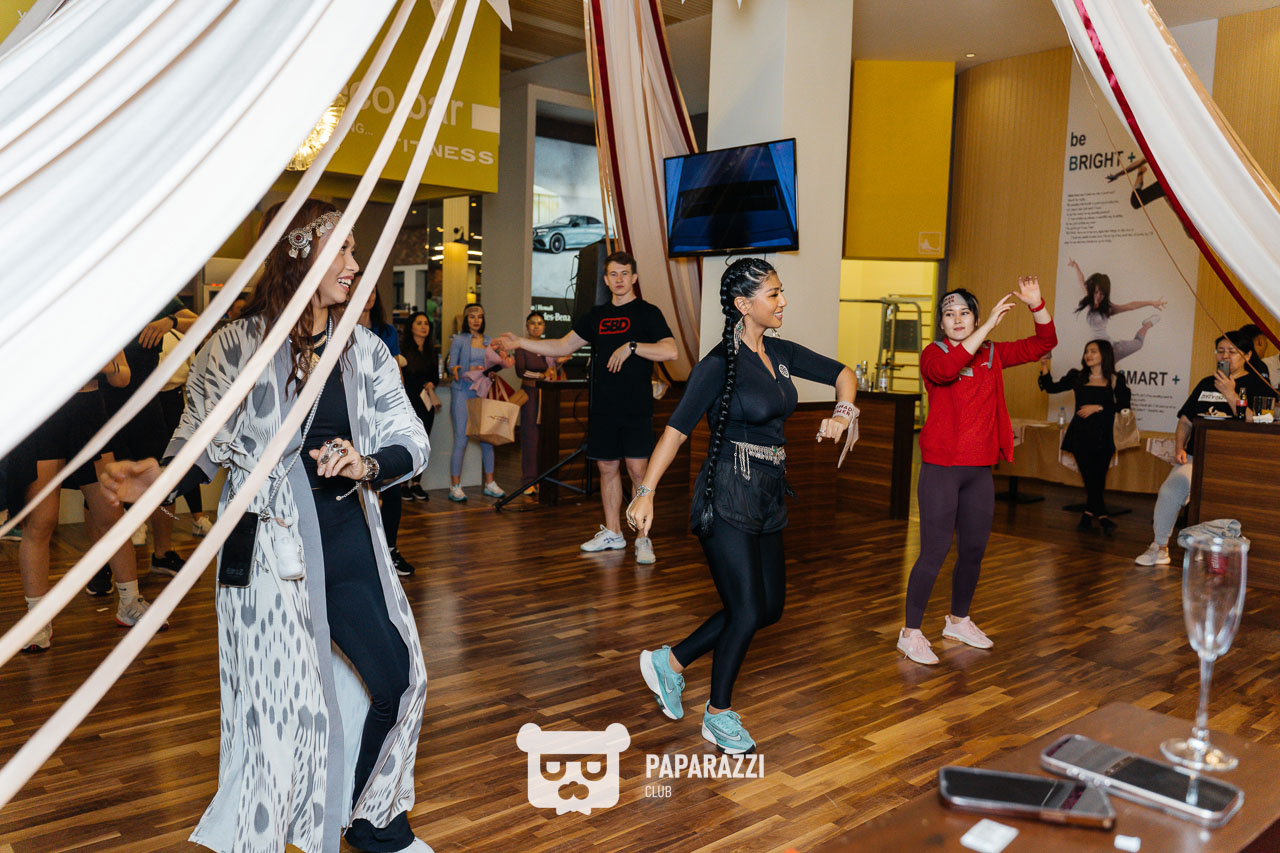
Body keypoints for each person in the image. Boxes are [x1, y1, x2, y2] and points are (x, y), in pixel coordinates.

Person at [99, 200, 433, 853]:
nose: (356, 263)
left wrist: (366, 462)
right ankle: (278, 830)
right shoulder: (236, 346)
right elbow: (200, 443)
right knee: (285, 709)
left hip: (347, 539)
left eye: (355, 249)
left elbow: (410, 439)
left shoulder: (363, 348)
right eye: (341, 249)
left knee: (400, 679)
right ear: (296, 252)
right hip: (267, 553)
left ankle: (372, 820)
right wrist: (153, 480)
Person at [626, 258, 856, 752]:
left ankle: (669, 662)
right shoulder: (717, 365)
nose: (783, 301)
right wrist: (645, 492)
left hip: (768, 493)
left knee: (768, 608)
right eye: (773, 294)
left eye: (780, 291)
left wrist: (842, 414)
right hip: (726, 493)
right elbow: (676, 431)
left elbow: (844, 373)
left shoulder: (781, 352)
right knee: (747, 609)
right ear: (742, 305)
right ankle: (718, 714)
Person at [898, 278, 1057, 665]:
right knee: (934, 552)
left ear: (975, 317)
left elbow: (1044, 344)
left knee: (973, 550)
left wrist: (1037, 305)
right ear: (941, 323)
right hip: (941, 469)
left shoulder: (992, 354)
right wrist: (985, 329)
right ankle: (910, 632)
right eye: (949, 314)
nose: (957, 319)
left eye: (965, 313)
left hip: (979, 470)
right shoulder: (933, 354)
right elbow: (948, 371)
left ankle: (958, 620)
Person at [496, 251, 677, 565]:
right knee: (607, 469)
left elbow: (670, 351)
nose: (619, 279)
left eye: (624, 274)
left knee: (638, 472)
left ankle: (642, 538)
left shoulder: (648, 313)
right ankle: (613, 532)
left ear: (634, 278)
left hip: (635, 407)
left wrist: (632, 346)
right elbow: (562, 346)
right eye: (613, 274)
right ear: (606, 279)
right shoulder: (597, 316)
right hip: (603, 408)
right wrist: (521, 343)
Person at [7, 351, 161, 652]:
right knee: (40, 521)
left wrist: (106, 365)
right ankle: (37, 621)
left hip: (89, 414)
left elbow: (123, 377)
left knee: (111, 515)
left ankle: (130, 603)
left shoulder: (99, 325)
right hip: (43, 414)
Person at [1134, 330, 1272, 567]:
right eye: (1220, 351)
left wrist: (1230, 393)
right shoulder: (1207, 383)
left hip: (1237, 461)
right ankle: (1159, 547)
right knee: (1170, 490)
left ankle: (1211, 551)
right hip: (1197, 456)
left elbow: (1257, 424)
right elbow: (1185, 421)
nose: (1225, 356)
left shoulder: (1259, 385)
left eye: (1232, 352)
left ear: (1247, 355)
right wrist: (1180, 447)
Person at [93, 297, 201, 593]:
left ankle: (162, 554)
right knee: (102, 488)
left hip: (147, 402)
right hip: (104, 406)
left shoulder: (157, 295)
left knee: (161, 481)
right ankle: (101, 565)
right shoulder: (98, 297)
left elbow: (200, 322)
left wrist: (171, 321)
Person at [1039, 339, 1132, 534]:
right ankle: (1102, 517)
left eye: (1093, 351)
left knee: (1098, 477)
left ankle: (1088, 516)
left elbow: (1124, 406)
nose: (1088, 355)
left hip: (1105, 436)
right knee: (1089, 477)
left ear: (1104, 355)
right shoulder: (1077, 376)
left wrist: (1098, 407)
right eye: (1086, 351)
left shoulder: (1116, 379)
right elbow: (1052, 388)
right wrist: (1044, 366)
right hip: (1080, 435)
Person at [359, 283, 414, 576]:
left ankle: (390, 549)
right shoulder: (338, 327)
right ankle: (364, 553)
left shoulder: (386, 331)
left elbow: (395, 372)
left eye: (372, 291)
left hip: (382, 417)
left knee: (390, 486)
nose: (368, 296)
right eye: (362, 290)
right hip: (354, 418)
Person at [446, 303, 512, 501]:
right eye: (472, 316)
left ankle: (490, 483)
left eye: (480, 316)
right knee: (461, 439)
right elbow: (451, 366)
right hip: (462, 391)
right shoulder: (459, 339)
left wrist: (492, 372)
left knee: (487, 439)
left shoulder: (491, 341)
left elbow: (499, 364)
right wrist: (464, 370)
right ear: (466, 319)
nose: (476, 320)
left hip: (483, 391)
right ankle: (455, 485)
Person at [1067, 258, 1165, 362]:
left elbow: (1130, 306)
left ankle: (1148, 324)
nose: (1098, 296)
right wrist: (1075, 265)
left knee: (1139, 344)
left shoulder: (1108, 309)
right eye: (1096, 292)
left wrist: (1151, 302)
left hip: (1110, 350)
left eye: (1102, 294)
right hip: (1095, 351)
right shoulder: (1088, 300)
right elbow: (1081, 281)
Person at [513, 311, 567, 496]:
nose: (536, 326)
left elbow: (551, 370)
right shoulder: (521, 346)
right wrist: (540, 375)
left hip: (548, 394)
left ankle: (545, 479)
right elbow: (520, 371)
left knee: (547, 437)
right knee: (531, 437)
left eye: (540, 323)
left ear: (544, 327)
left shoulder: (548, 346)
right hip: (531, 394)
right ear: (527, 326)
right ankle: (529, 481)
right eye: (532, 323)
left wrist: (558, 364)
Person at [401, 311, 441, 501]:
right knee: (407, 442)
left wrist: (432, 383)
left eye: (426, 323)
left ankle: (416, 483)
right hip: (408, 402)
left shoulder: (431, 351)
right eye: (419, 323)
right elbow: (404, 377)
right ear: (411, 327)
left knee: (423, 443)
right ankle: (402, 483)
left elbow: (435, 376)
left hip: (426, 403)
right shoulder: (403, 349)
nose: (424, 326)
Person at [1237, 323, 1278, 390]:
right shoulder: (1260, 365)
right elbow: (1265, 392)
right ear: (1260, 342)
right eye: (1265, 341)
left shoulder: (1236, 362)